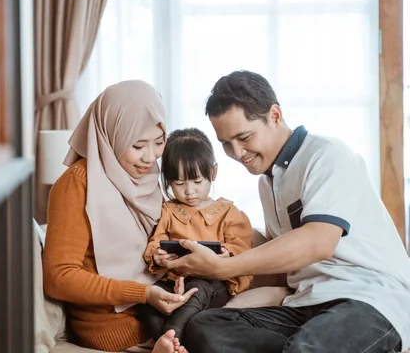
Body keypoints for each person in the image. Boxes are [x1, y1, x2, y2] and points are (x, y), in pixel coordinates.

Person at [165, 70, 410, 352]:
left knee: (306, 346)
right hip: (307, 301)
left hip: (368, 297)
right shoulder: (267, 183)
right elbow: (280, 257)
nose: (237, 153)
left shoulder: (328, 155)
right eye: (225, 144)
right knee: (204, 327)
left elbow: (318, 242)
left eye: (244, 137)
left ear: (275, 116)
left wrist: (224, 267)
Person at [43, 80, 195, 353]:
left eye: (159, 142)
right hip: (117, 327)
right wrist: (143, 294)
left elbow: (147, 252)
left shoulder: (144, 177)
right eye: (137, 146)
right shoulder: (77, 185)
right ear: (110, 136)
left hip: (159, 313)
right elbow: (59, 278)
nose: (150, 158)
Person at [139, 128, 253, 342]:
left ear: (213, 172)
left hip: (212, 283)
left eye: (197, 182)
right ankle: (173, 342)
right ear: (168, 180)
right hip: (173, 279)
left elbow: (242, 248)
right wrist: (158, 255)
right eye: (179, 184)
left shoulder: (229, 212)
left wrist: (226, 254)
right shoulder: (169, 210)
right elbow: (156, 242)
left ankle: (171, 339)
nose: (189, 191)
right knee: (147, 299)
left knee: (196, 289)